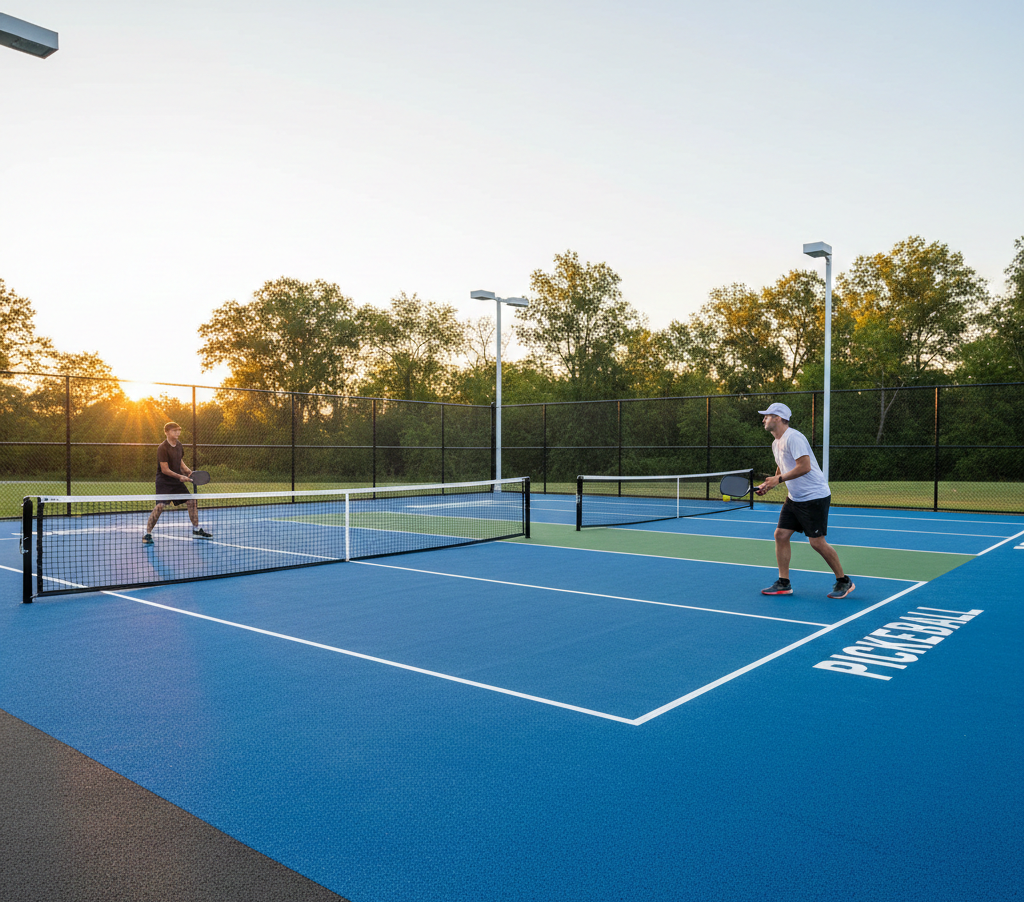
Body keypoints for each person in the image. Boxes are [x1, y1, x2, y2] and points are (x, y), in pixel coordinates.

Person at [755, 402, 853, 599]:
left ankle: (844, 581)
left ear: (779, 418)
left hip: (814, 497)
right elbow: (783, 466)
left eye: (768, 416)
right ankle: (784, 583)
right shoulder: (776, 442)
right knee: (780, 535)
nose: (764, 419)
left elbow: (804, 466)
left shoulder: (794, 437)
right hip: (795, 498)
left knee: (817, 543)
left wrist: (779, 479)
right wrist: (771, 484)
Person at [143, 422, 212, 545]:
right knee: (160, 507)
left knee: (191, 502)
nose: (178, 432)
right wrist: (180, 476)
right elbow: (164, 469)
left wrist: (187, 471)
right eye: (175, 430)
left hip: (176, 481)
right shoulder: (162, 448)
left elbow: (179, 461)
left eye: (179, 430)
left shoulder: (179, 445)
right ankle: (147, 534)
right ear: (167, 432)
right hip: (164, 481)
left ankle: (196, 530)